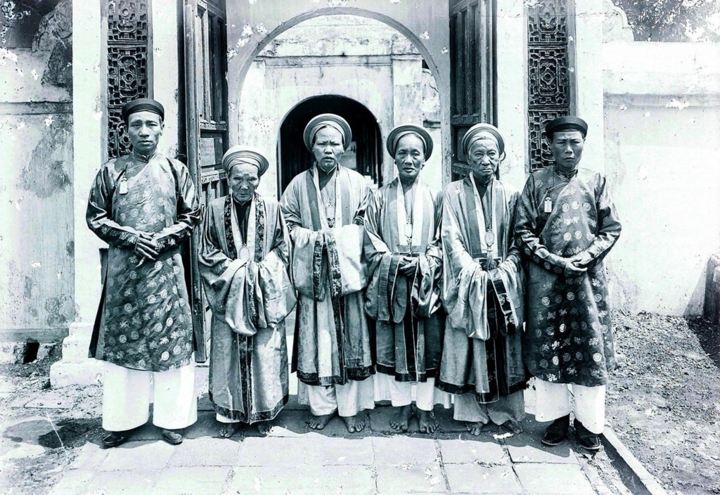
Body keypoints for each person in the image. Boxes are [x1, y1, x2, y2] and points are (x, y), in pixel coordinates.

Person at [86, 98, 201, 448]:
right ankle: (123, 421)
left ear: (162, 128)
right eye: (136, 125)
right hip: (125, 273)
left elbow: (191, 215)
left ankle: (173, 420)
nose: (144, 132)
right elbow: (95, 217)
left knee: (172, 341)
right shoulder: (111, 171)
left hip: (166, 270)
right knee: (124, 347)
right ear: (126, 131)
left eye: (151, 124)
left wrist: (162, 239)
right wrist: (133, 239)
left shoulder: (176, 170)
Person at [514, 116, 621, 450]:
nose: (569, 149)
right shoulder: (536, 182)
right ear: (550, 145)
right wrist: (554, 261)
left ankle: (589, 425)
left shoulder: (596, 181)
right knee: (550, 347)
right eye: (561, 142)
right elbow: (522, 230)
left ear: (583, 144)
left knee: (589, 347)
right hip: (547, 282)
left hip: (587, 281)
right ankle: (556, 419)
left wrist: (585, 257)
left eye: (575, 142)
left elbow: (611, 229)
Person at [280, 114, 375, 433]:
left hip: (348, 277)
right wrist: (315, 241)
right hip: (315, 279)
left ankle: (350, 408)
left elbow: (367, 222)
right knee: (317, 341)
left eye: (335, 143)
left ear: (344, 147)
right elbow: (286, 223)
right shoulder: (297, 185)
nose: (329, 149)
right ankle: (322, 407)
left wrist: (340, 240)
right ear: (312, 148)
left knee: (351, 339)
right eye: (322, 143)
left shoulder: (358, 183)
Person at [199, 146, 295, 437]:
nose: (244, 185)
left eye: (251, 179)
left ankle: (266, 412)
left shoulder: (273, 208)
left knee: (265, 351)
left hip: (264, 292)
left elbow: (283, 249)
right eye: (237, 179)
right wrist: (238, 271)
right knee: (227, 352)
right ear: (228, 178)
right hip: (229, 291)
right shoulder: (214, 209)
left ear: (259, 180)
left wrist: (262, 271)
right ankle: (229, 415)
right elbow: (206, 252)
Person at [436, 123, 527, 435]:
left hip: (503, 279)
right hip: (469, 279)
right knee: (470, 343)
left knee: (504, 343)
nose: (486, 160)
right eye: (478, 153)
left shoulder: (512, 194)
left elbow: (519, 238)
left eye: (491, 153)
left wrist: (506, 270)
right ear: (467, 158)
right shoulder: (452, 193)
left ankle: (505, 412)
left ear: (501, 157)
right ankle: (471, 414)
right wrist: (473, 273)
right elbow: (450, 237)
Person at [364, 124, 448, 433]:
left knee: (427, 348)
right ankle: (400, 407)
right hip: (392, 283)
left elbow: (443, 239)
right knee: (395, 347)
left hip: (426, 284)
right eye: (403, 153)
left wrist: (426, 262)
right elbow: (370, 238)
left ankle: (424, 409)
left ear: (424, 159)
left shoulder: (436, 197)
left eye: (415, 153)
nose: (409, 159)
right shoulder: (379, 197)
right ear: (394, 158)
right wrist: (395, 262)